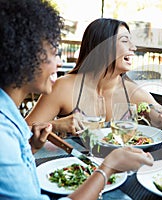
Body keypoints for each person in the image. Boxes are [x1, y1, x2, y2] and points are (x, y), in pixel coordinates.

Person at [0, 0, 154, 199]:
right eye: (54, 51)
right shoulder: (3, 136)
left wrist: (30, 147)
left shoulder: (9, 123)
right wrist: (108, 167)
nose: (60, 61)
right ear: (24, 55)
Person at [25, 18, 162, 135]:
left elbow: (161, 119)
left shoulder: (133, 92)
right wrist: (55, 125)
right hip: (73, 167)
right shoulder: (64, 87)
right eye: (125, 41)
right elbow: (21, 132)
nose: (133, 48)